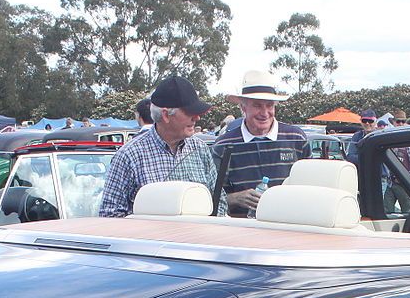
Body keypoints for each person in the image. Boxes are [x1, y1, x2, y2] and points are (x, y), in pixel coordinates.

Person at [98, 74, 218, 218]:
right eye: (189, 112)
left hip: (195, 239)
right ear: (166, 115)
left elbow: (218, 200)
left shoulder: (200, 149)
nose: (197, 117)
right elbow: (110, 216)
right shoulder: (129, 156)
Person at [211, 71, 310, 218]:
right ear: (243, 107)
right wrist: (234, 199)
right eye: (257, 106)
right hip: (241, 230)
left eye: (269, 106)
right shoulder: (223, 145)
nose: (264, 113)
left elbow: (310, 187)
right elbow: (211, 195)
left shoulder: (296, 138)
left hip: (289, 224)